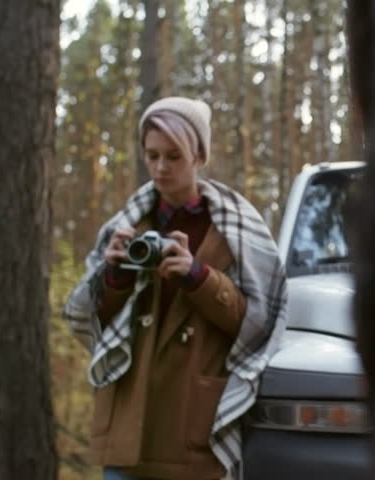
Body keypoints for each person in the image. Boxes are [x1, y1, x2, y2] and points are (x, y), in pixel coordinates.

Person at [64, 97, 288, 480]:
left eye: (173, 156)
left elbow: (256, 323)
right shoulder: (129, 224)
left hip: (191, 426)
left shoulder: (234, 229)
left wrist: (198, 276)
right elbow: (94, 319)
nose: (160, 168)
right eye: (151, 156)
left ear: (199, 156)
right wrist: (116, 274)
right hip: (128, 423)